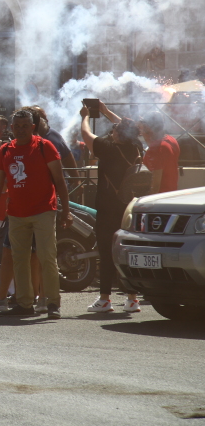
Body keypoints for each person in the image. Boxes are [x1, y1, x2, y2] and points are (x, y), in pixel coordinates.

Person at [0, 109, 71, 319]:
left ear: (33, 127)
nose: (21, 130)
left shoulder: (45, 146)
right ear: (11, 128)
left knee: (46, 257)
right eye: (17, 126)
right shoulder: (5, 150)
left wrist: (66, 210)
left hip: (44, 210)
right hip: (16, 213)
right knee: (20, 259)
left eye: (26, 126)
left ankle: (53, 303)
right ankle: (25, 303)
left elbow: (59, 180)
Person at [80, 107, 143, 313]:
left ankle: (105, 298)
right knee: (126, 252)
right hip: (129, 207)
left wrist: (85, 116)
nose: (112, 129)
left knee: (107, 253)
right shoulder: (136, 146)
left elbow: (86, 134)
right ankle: (132, 299)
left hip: (108, 208)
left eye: (115, 128)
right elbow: (128, 127)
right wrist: (105, 110)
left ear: (118, 133)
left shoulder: (108, 147)